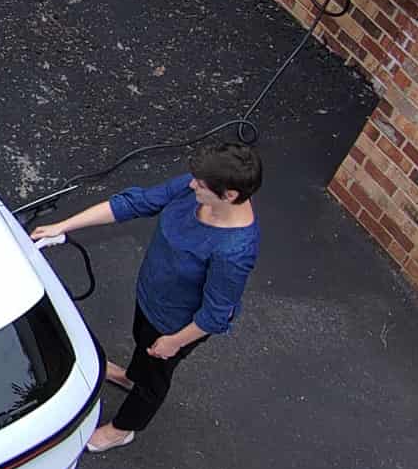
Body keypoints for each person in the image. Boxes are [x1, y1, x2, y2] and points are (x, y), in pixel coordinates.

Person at [28, 141, 262, 452]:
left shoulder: (233, 251)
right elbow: (135, 203)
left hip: (174, 324)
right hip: (151, 297)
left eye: (200, 185)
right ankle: (129, 376)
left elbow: (216, 315)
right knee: (141, 343)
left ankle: (124, 428)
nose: (191, 185)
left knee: (154, 379)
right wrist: (63, 226)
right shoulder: (195, 190)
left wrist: (174, 342)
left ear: (229, 195)